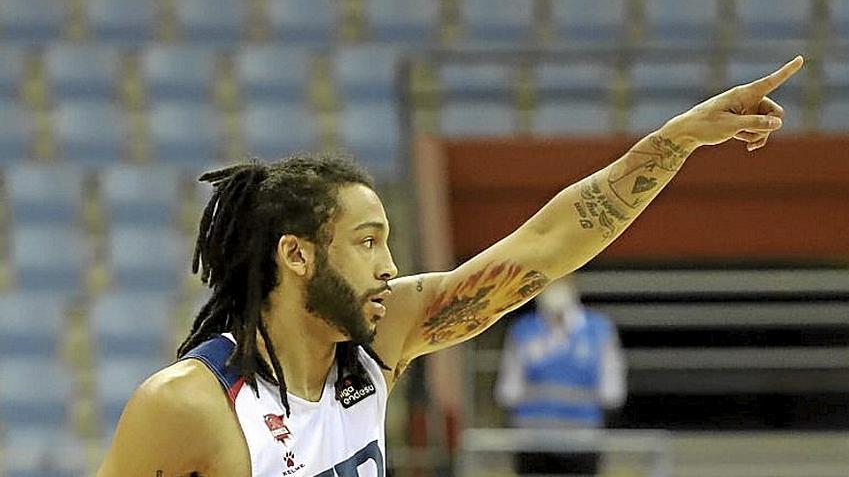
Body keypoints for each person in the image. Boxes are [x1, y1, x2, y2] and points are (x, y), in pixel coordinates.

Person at [96, 56, 803, 477]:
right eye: (367, 241)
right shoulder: (188, 404)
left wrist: (675, 141)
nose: (390, 264)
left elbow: (545, 245)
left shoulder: (380, 343)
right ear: (298, 254)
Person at [496, 276, 626, 476]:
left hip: (582, 439)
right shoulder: (523, 330)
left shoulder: (599, 330)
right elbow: (508, 391)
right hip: (532, 440)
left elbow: (612, 392)